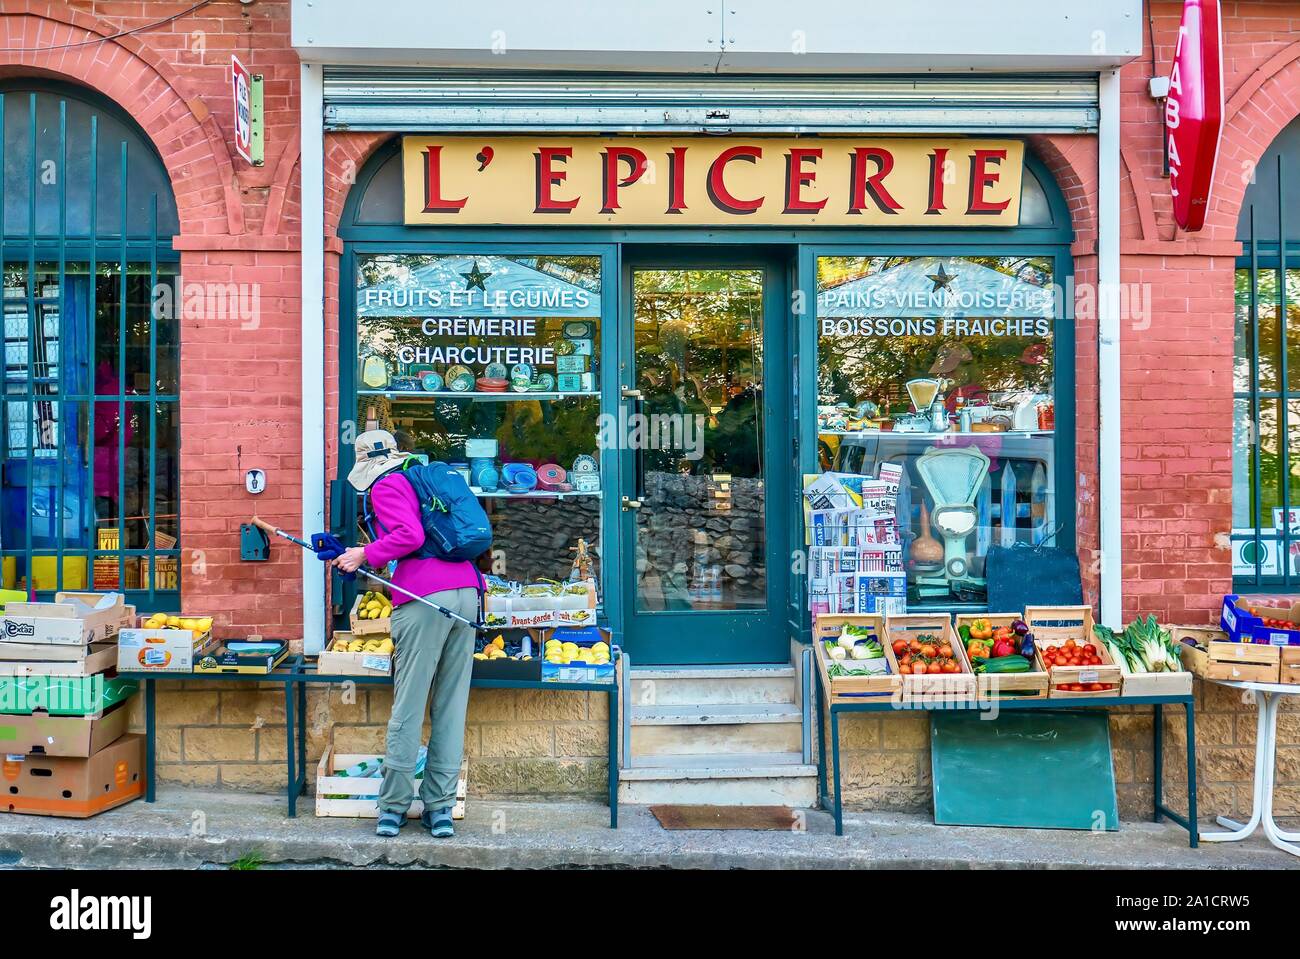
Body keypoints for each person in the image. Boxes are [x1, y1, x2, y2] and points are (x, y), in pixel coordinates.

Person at [333, 430, 483, 839]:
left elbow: (409, 537)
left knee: (409, 707)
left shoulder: (386, 484)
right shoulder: (423, 476)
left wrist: (363, 553)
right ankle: (441, 810)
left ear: (366, 464)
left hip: (424, 599)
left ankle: (393, 808)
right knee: (451, 708)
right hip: (467, 594)